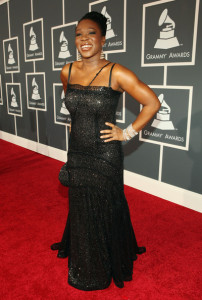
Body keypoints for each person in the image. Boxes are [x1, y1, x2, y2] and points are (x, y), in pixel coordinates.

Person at [51, 11, 161, 291]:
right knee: (79, 206)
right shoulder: (67, 71)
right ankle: (84, 257)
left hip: (105, 155)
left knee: (106, 207)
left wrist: (126, 133)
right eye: (78, 34)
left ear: (102, 39)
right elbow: (73, 108)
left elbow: (152, 103)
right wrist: (76, 137)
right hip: (77, 152)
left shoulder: (117, 72)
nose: (84, 39)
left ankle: (106, 262)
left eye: (91, 33)